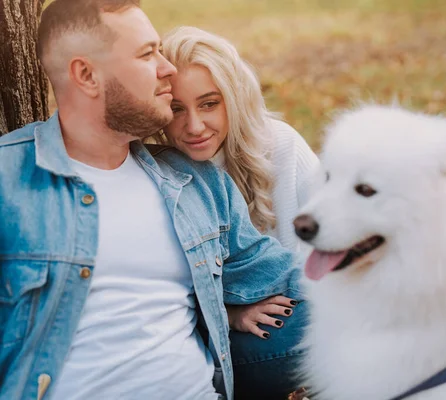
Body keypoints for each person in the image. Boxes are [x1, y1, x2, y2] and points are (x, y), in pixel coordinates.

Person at [0, 1, 305, 399]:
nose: (168, 69)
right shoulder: (10, 180)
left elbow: (286, 280)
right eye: (148, 54)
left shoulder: (196, 181)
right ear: (86, 74)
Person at [150, 26, 319, 399]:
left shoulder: (280, 145)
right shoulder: (158, 174)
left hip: (291, 304)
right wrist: (229, 314)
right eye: (177, 109)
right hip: (213, 339)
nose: (194, 127)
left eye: (209, 103)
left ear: (234, 99)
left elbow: (331, 250)